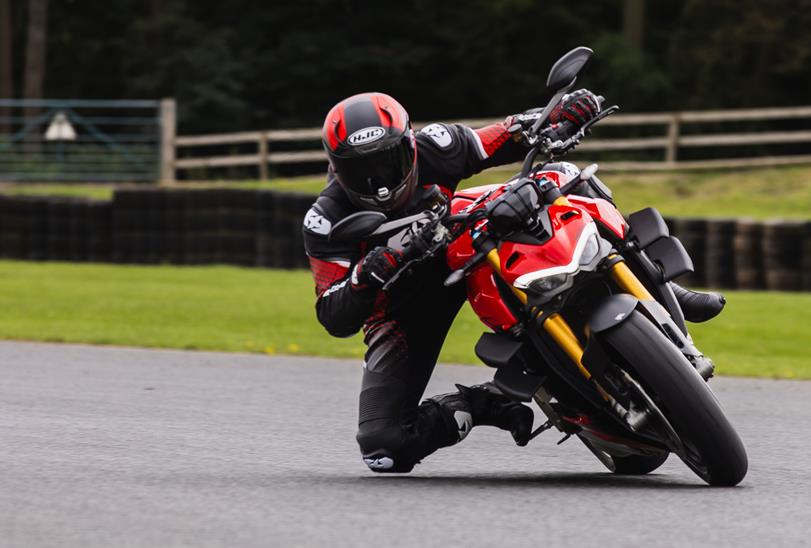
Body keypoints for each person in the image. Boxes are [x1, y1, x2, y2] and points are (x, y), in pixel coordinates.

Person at [303, 91, 724, 473]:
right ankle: (484, 403)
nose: (378, 183)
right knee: (382, 447)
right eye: (361, 172)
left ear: (409, 147)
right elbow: (333, 314)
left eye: (386, 162)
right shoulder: (326, 220)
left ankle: (658, 285)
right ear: (336, 170)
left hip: (462, 240)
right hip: (400, 303)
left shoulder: (438, 145)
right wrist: (368, 273)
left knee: (561, 174)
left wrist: (559, 114)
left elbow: (504, 135)